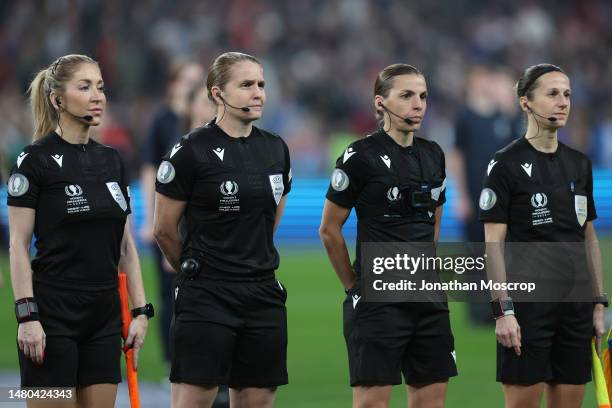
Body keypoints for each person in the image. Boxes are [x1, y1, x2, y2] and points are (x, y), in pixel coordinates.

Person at [7, 54, 151, 407]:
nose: (98, 95)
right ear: (57, 100)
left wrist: (140, 312)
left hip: (103, 315)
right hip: (52, 314)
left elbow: (126, 247)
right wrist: (28, 317)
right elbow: (18, 246)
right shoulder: (34, 160)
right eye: (84, 87)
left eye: (100, 87)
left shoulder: (112, 160)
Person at [153, 51, 291, 408]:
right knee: (194, 399)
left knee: (257, 399)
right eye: (246, 85)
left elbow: (270, 220)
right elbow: (164, 230)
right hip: (207, 294)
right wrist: (197, 269)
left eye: (261, 84)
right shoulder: (190, 150)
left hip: (262, 294)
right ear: (217, 93)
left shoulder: (276, 149)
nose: (258, 92)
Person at [319, 64, 457, 408]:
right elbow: (329, 230)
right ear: (380, 103)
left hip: (427, 298)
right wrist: (353, 286)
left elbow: (433, 223)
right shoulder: (359, 156)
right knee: (371, 403)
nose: (418, 104)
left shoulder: (433, 155)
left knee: (431, 401)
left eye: (423, 96)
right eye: (407, 95)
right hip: (378, 301)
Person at [480, 63, 607, 408]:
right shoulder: (505, 164)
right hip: (527, 307)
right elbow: (493, 244)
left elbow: (589, 238)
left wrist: (599, 303)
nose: (563, 101)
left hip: (575, 307)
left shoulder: (580, 164)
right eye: (552, 93)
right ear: (526, 102)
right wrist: (502, 310)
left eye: (567, 94)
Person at [140, 61, 204, 367]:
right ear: (172, 83)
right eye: (187, 80)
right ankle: (172, 363)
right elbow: (150, 169)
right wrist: (150, 218)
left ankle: (200, 367)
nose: (192, 86)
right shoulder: (164, 122)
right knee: (171, 294)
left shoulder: (210, 125)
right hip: (170, 221)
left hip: (199, 226)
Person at [453, 65, 521, 324]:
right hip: (474, 197)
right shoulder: (465, 117)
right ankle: (478, 312)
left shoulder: (502, 117)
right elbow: (458, 157)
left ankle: (503, 307)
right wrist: (461, 196)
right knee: (474, 255)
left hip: (501, 199)